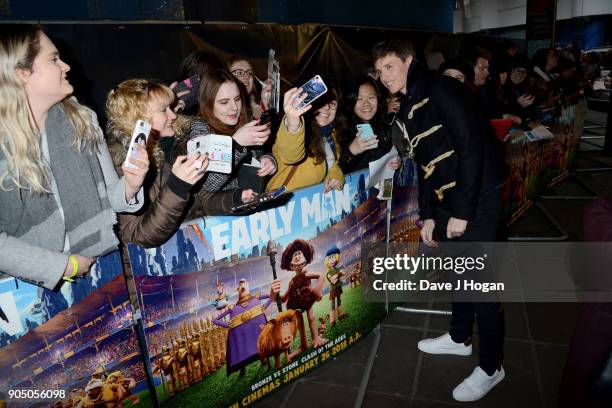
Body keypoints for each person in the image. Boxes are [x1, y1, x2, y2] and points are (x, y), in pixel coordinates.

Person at [373, 38, 506, 402]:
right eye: (379, 70)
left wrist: (462, 211)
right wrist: (429, 215)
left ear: (409, 60)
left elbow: (471, 148)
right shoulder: (410, 104)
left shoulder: (442, 88)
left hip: (479, 194)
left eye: (390, 67)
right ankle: (460, 337)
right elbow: (427, 164)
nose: (383, 76)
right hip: (451, 195)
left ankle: (493, 366)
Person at [0, 25, 148, 289]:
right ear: (22, 73)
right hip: (23, 289)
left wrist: (131, 185)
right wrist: (62, 266)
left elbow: (113, 198)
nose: (66, 66)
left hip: (99, 267)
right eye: (54, 59)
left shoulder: (83, 120)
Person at [106, 79, 252, 248]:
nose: (173, 115)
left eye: (171, 107)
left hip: (192, 248)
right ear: (139, 119)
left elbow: (203, 200)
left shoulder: (178, 143)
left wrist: (236, 199)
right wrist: (177, 186)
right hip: (157, 268)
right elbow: (138, 236)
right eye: (163, 110)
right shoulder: (125, 164)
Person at [196, 69, 276, 193]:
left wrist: (269, 161)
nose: (234, 107)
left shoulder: (245, 120)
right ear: (208, 103)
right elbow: (209, 185)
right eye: (224, 102)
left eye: (237, 99)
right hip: (223, 210)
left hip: (254, 202)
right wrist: (235, 145)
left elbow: (263, 152)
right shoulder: (200, 130)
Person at [266, 84, 345, 193]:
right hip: (282, 203)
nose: (327, 108)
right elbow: (291, 155)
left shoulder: (331, 135)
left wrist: (334, 180)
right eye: (321, 102)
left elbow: (333, 166)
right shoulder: (296, 131)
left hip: (307, 204)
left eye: (332, 103)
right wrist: (293, 123)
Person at [338, 75, 401, 174]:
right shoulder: (339, 131)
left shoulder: (382, 125)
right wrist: (351, 151)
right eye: (359, 99)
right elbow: (336, 173)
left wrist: (395, 160)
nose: (366, 104)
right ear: (351, 101)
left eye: (371, 97)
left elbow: (388, 154)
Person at [227, 56, 270, 120]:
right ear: (227, 76)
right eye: (239, 73)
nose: (247, 76)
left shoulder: (254, 107)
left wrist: (265, 104)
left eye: (249, 73)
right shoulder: (224, 110)